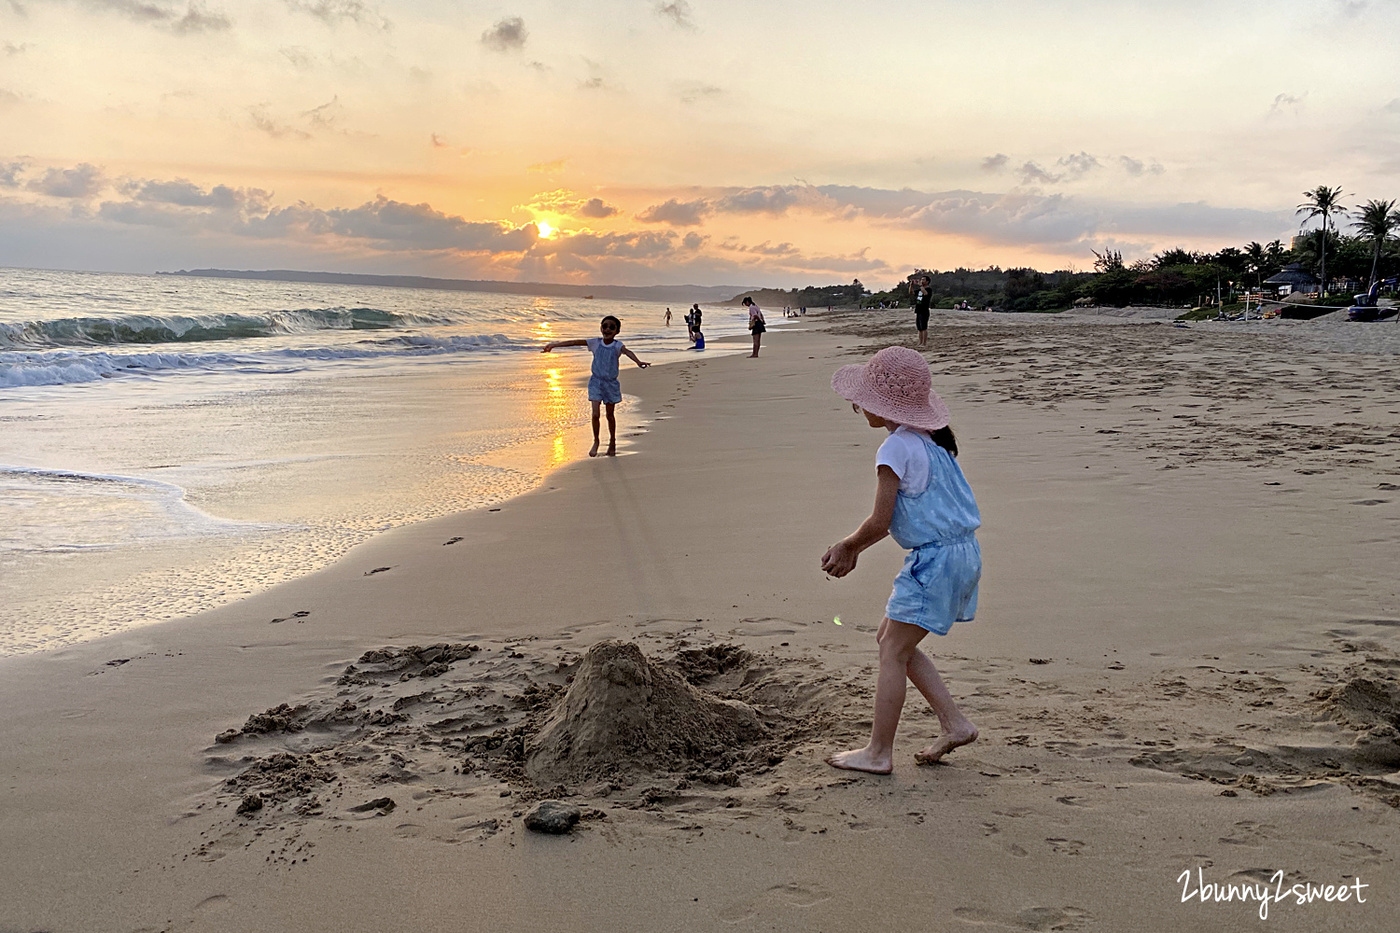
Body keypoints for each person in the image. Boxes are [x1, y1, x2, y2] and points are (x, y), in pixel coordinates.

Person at [820, 346, 981, 774]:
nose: (857, 406)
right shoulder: (932, 442)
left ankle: (878, 752)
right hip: (961, 554)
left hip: (935, 561)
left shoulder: (895, 448)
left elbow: (880, 520)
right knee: (891, 641)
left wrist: (848, 546)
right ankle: (955, 724)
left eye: (863, 399)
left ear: (881, 406)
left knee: (892, 651)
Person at [541, 315, 649, 457]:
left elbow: (627, 351)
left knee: (610, 415)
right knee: (595, 414)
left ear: (617, 331)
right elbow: (575, 342)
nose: (607, 329)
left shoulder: (617, 345)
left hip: (611, 384)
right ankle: (596, 441)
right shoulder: (595, 343)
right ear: (601, 328)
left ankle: (612, 442)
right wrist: (554, 345)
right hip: (596, 382)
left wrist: (638, 362)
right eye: (605, 326)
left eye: (611, 327)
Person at [907, 275, 932, 347]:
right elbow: (911, 293)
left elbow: (925, 293)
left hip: (924, 310)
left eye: (923, 280)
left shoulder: (928, 289)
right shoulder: (919, 290)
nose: (921, 281)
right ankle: (920, 342)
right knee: (919, 328)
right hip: (918, 309)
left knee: (924, 327)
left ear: (927, 281)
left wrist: (921, 286)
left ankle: (924, 343)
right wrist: (911, 285)